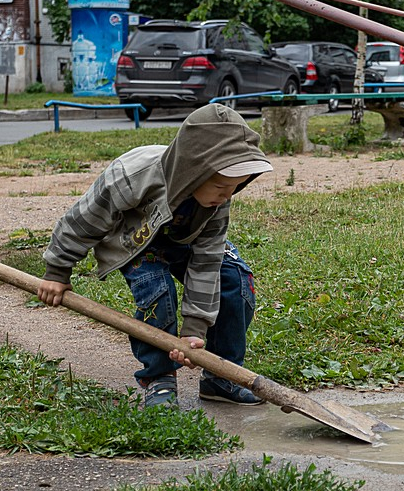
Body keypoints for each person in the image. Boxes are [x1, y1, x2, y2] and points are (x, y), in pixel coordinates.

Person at [36, 103, 272, 408]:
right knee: (156, 290)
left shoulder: (217, 201)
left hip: (181, 240)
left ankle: (221, 375)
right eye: (221, 186)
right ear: (194, 170)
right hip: (132, 240)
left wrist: (194, 330)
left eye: (235, 187)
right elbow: (83, 221)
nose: (228, 195)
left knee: (235, 280)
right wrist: (57, 270)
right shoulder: (133, 175)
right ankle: (158, 377)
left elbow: (207, 259)